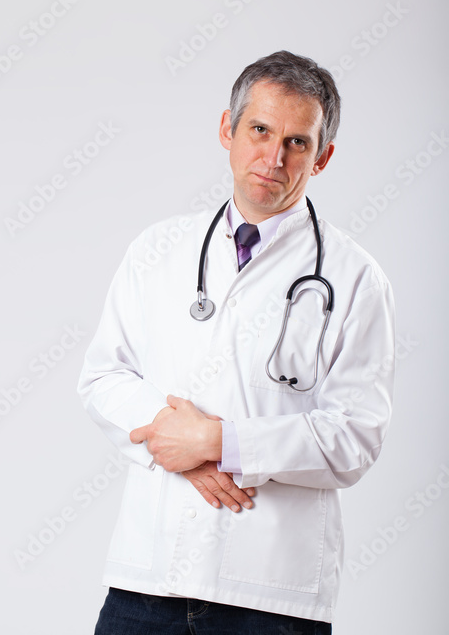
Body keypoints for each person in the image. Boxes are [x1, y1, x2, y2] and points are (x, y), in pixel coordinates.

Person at [77, 51, 395, 634]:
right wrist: (179, 442)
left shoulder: (355, 278)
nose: (274, 158)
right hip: (147, 583)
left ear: (322, 157)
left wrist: (219, 442)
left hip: (270, 596)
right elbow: (103, 377)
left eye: (297, 142)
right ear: (228, 129)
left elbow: (354, 437)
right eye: (260, 131)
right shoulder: (157, 250)